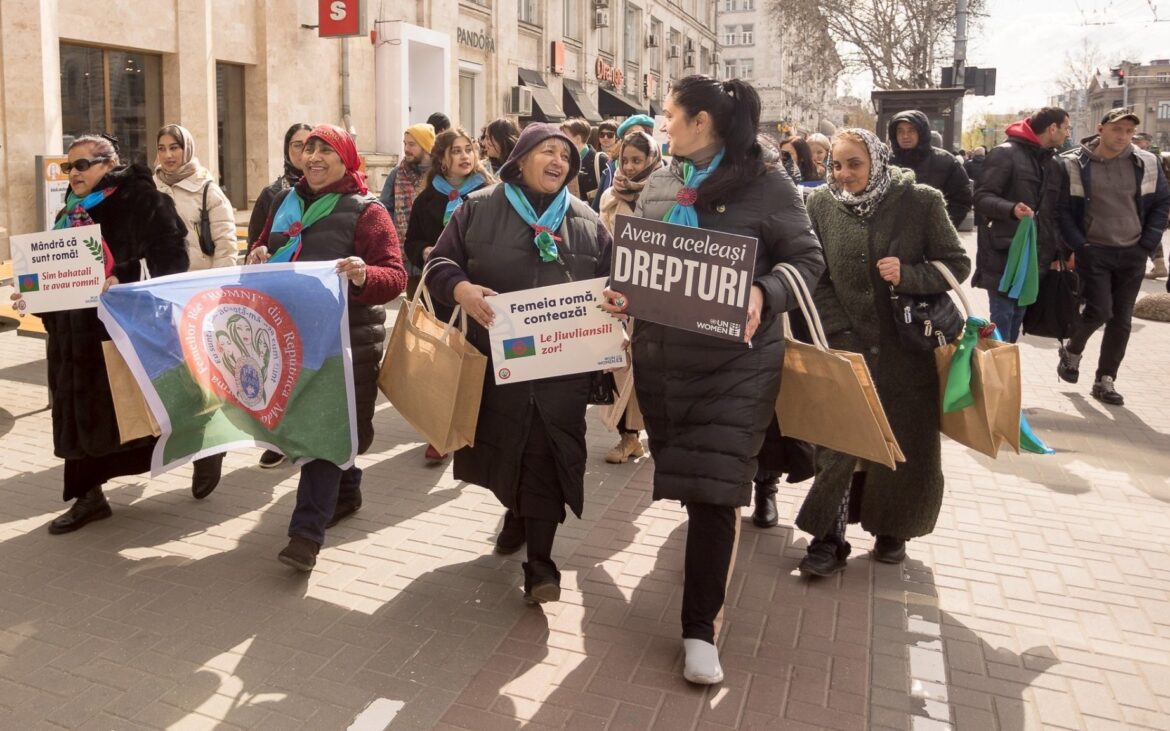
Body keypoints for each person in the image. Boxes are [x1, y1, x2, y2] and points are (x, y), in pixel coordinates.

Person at [600, 76, 825, 686]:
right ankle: (703, 588)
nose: (661, 123)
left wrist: (763, 289)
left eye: (669, 114)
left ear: (701, 122)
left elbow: (807, 260)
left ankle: (701, 629)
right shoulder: (665, 180)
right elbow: (640, 264)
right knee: (690, 475)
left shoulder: (769, 184)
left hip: (738, 365)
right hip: (664, 362)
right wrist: (625, 296)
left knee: (715, 489)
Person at [426, 123, 613, 605]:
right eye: (548, 151)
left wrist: (618, 306)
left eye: (566, 156)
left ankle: (542, 563)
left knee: (550, 454)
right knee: (504, 450)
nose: (559, 162)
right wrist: (461, 289)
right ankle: (516, 511)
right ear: (523, 157)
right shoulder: (479, 208)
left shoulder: (588, 220)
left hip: (561, 369)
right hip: (495, 364)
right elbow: (438, 266)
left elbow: (614, 284)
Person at [795, 128, 971, 579]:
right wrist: (838, 333)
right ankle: (827, 539)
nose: (844, 173)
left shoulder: (921, 201)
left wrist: (910, 275)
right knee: (840, 444)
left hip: (906, 349)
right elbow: (816, 277)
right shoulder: (820, 205)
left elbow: (957, 263)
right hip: (846, 347)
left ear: (877, 160)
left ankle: (893, 530)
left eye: (854, 163)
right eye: (836, 164)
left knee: (905, 442)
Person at [9, 134, 188, 533]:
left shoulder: (144, 201)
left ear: (109, 164)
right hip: (72, 340)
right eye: (66, 167)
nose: (72, 173)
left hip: (119, 335)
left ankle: (200, 451)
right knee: (78, 418)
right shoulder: (68, 213)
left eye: (81, 165)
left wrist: (120, 276)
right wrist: (32, 294)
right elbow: (55, 276)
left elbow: (173, 260)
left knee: (140, 419)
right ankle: (89, 497)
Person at [249, 124, 406, 570]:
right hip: (289, 339)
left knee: (325, 432)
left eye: (326, 150)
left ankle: (304, 535)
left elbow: (395, 278)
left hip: (346, 342)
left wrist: (362, 275)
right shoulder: (283, 203)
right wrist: (257, 254)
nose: (314, 157)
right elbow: (263, 246)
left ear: (346, 158)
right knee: (326, 433)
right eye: (308, 149)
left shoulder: (367, 211)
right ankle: (349, 488)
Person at [1053, 108, 1170, 406]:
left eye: (1129, 131)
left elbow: (1161, 203)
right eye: (1117, 129)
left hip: (1133, 251)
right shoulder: (1074, 163)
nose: (1123, 136)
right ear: (1101, 129)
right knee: (1100, 310)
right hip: (1095, 251)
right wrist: (1080, 246)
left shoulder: (1147, 162)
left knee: (1122, 320)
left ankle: (1105, 379)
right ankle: (1073, 350)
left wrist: (1147, 244)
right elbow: (1063, 210)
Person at [153, 123, 238, 498]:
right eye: (162, 147)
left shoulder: (207, 190)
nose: (169, 155)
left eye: (175, 147)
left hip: (198, 296)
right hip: (158, 297)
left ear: (187, 149)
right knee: (171, 378)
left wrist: (215, 298)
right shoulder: (148, 189)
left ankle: (210, 451)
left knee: (203, 379)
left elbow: (226, 247)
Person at [403, 127, 495, 465]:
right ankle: (439, 433)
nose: (464, 156)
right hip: (442, 293)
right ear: (442, 159)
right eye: (455, 151)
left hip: (482, 289)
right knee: (443, 362)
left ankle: (476, 429)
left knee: (478, 359)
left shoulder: (489, 193)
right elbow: (411, 242)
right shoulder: (428, 198)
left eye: (468, 149)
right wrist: (425, 250)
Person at [596, 130, 665, 465]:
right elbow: (601, 240)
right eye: (625, 160)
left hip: (656, 295)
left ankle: (652, 432)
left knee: (651, 367)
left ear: (652, 160)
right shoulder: (610, 194)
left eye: (638, 160)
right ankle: (628, 436)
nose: (631, 166)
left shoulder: (666, 192)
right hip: (618, 293)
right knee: (619, 364)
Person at [973, 107, 1070, 342]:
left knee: (1015, 320)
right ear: (1052, 128)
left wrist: (1060, 252)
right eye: (1066, 127)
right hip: (1004, 256)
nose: (1068, 134)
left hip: (1036, 257)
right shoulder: (1005, 154)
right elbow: (981, 197)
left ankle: (1002, 373)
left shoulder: (1054, 163)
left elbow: (1055, 213)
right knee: (1003, 321)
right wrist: (1011, 209)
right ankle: (995, 375)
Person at [887, 110, 973, 227]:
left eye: (911, 130)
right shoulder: (886, 162)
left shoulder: (946, 161)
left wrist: (940, 228)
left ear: (921, 132)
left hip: (932, 237)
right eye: (900, 131)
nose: (905, 136)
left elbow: (961, 200)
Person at [379, 123, 435, 298]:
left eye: (412, 144)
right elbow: (384, 206)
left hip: (434, 250)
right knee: (414, 309)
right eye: (405, 144)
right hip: (409, 252)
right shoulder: (397, 173)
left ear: (426, 146)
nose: (406, 149)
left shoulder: (440, 173)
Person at [248, 123, 312, 247]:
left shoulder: (326, 191)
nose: (304, 151)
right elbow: (254, 246)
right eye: (298, 145)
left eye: (309, 145)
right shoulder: (271, 194)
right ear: (287, 150)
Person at [594, 115, 657, 212]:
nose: (628, 168)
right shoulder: (611, 169)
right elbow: (596, 210)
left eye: (640, 135)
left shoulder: (664, 179)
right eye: (630, 135)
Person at [560, 118, 608, 203]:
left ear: (577, 139)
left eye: (564, 136)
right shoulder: (563, 161)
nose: (561, 140)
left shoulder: (600, 160)